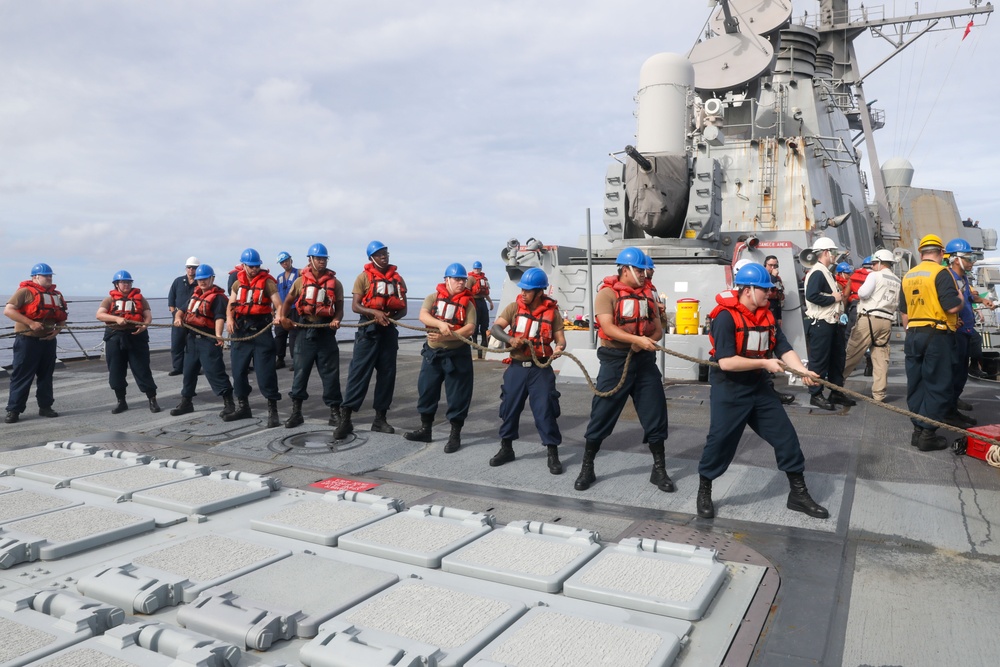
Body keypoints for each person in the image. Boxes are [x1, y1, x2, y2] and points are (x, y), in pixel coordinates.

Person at [696, 263, 828, 520]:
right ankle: (704, 489)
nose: (769, 294)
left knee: (786, 437)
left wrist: (803, 371)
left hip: (757, 386)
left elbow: (784, 348)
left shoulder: (766, 316)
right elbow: (725, 362)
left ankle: (798, 494)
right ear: (748, 290)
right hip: (730, 387)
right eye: (765, 290)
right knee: (720, 441)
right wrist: (764, 363)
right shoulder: (725, 317)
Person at [575, 247, 672, 493]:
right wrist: (636, 341)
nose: (644, 274)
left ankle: (658, 469)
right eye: (639, 270)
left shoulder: (650, 294)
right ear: (624, 269)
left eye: (644, 270)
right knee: (602, 413)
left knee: (655, 413)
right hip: (615, 362)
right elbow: (607, 327)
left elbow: (658, 330)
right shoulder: (607, 294)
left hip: (645, 363)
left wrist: (645, 342)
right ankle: (588, 466)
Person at [488, 268, 565, 474]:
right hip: (516, 368)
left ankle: (552, 453)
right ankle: (506, 448)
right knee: (509, 409)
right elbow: (496, 328)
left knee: (545, 410)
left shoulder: (553, 313)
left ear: (540, 292)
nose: (523, 293)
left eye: (528, 290)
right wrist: (510, 339)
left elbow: (560, 340)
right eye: (522, 289)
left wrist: (558, 349)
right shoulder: (514, 308)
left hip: (541, 369)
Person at [335, 241, 408, 439]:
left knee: (387, 375)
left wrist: (390, 319)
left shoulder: (398, 279)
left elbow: (404, 308)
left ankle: (380, 419)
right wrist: (374, 313)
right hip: (367, 332)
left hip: (388, 332)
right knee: (358, 374)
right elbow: (356, 306)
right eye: (379, 254)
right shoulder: (363, 278)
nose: (384, 256)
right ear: (371, 258)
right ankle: (346, 419)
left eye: (385, 253)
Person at [899, 234, 964, 451]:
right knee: (938, 384)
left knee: (916, 383)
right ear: (941, 253)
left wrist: (911, 332)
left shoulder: (908, 276)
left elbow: (904, 312)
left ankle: (917, 431)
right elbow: (952, 307)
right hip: (936, 335)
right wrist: (961, 298)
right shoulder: (941, 272)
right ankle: (928, 434)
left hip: (913, 333)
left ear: (921, 253)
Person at [403, 263, 476, 452]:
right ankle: (425, 429)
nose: (461, 282)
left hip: (457, 354)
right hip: (433, 354)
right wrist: (440, 323)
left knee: (458, 395)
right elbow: (423, 315)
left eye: (463, 279)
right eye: (456, 279)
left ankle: (455, 435)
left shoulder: (468, 303)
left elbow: (469, 328)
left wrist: (446, 335)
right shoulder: (433, 298)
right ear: (447, 280)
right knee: (427, 390)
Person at [281, 243, 344, 429]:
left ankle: (334, 412)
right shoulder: (300, 282)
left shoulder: (336, 283)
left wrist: (336, 320)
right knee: (300, 374)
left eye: (324, 258)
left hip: (326, 333)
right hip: (304, 331)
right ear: (310, 260)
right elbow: (288, 301)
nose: (322, 261)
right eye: (318, 258)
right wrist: (283, 318)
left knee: (331, 374)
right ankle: (296, 412)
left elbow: (339, 309)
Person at [225, 249, 283, 427]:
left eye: (256, 266)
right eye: (250, 267)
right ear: (243, 266)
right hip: (241, 333)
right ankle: (244, 407)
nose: (254, 269)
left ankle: (273, 410)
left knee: (266, 373)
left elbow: (278, 305)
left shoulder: (267, 283)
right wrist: (229, 319)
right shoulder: (237, 284)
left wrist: (279, 316)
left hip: (261, 332)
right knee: (238, 371)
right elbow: (230, 305)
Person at [169, 264, 235, 417]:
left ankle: (229, 402)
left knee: (215, 371)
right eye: (199, 280)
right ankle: (186, 402)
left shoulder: (218, 298)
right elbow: (181, 310)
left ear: (212, 278)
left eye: (205, 279)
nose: (202, 282)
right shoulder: (195, 295)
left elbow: (220, 317)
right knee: (189, 372)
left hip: (208, 340)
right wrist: (178, 318)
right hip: (192, 340)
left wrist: (218, 335)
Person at [4, 263, 67, 423]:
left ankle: (45, 407)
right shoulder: (24, 292)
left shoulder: (56, 295)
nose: (49, 278)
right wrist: (30, 323)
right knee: (22, 376)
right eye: (46, 275)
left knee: (46, 376)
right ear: (35, 277)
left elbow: (61, 317)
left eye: (50, 275)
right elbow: (8, 310)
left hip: (48, 341)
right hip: (27, 341)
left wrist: (57, 330)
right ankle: (14, 410)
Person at [944, 238, 996, 425]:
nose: (972, 261)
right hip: (955, 331)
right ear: (956, 259)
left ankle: (954, 401)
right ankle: (949, 411)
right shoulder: (947, 277)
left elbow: (969, 296)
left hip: (966, 329)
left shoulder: (964, 278)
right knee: (954, 371)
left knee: (961, 372)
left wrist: (982, 301)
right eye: (968, 258)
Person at [95, 270, 160, 414]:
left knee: (142, 369)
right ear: (116, 284)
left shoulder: (140, 299)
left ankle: (152, 399)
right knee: (116, 370)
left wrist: (144, 327)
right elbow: (99, 314)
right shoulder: (109, 300)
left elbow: (148, 316)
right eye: (123, 282)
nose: (126, 285)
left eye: (129, 282)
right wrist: (116, 319)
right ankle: (121, 401)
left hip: (136, 337)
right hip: (115, 336)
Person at [842, 250, 901, 403]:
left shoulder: (874, 275)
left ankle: (836, 384)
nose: (872, 266)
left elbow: (862, 293)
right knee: (881, 358)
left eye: (874, 263)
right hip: (887, 321)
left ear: (881, 262)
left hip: (869, 318)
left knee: (853, 352)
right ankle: (879, 394)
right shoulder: (896, 279)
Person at [804, 237, 853, 410]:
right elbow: (812, 295)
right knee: (819, 360)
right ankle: (815, 394)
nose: (834, 255)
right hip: (821, 323)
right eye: (832, 252)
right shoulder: (818, 272)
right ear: (825, 252)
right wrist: (834, 298)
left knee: (836, 359)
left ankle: (836, 392)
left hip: (832, 323)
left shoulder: (825, 272)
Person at [167, 257, 200, 376]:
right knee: (177, 344)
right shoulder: (178, 282)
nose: (191, 270)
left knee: (194, 345)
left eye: (194, 268)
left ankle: (194, 368)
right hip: (178, 320)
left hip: (194, 320)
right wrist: (175, 315)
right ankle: (178, 367)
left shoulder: (201, 283)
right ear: (186, 268)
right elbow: (171, 300)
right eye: (189, 267)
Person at [274, 251, 298, 369]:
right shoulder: (279, 278)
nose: (285, 264)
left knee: (294, 334)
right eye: (282, 262)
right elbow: (276, 293)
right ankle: (280, 358)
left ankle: (295, 359)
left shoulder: (299, 273)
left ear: (291, 260)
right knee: (279, 333)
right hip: (282, 309)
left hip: (294, 308)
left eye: (286, 261)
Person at [467, 261, 493, 359]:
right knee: (475, 322)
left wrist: (490, 302)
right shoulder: (471, 278)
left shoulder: (484, 279)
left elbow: (485, 293)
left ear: (481, 269)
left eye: (478, 268)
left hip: (482, 301)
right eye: (475, 269)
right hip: (474, 301)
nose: (477, 270)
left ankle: (484, 340)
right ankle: (474, 341)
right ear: (473, 269)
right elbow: (467, 290)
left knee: (485, 321)